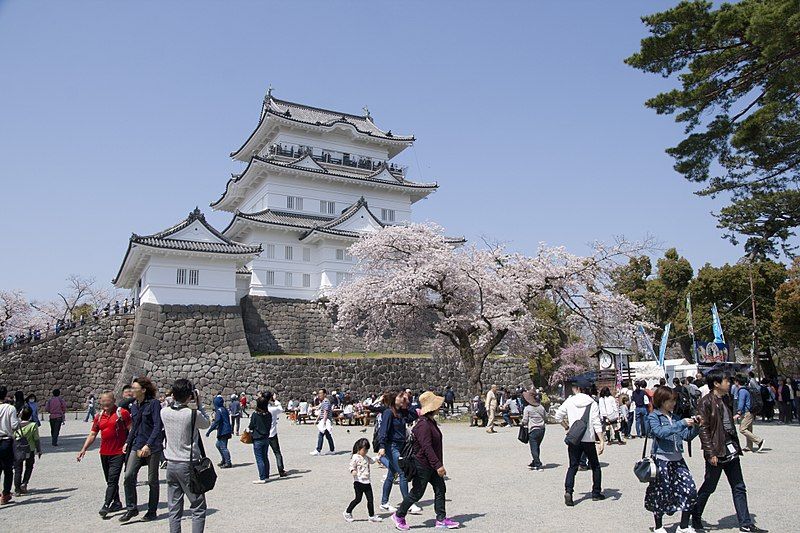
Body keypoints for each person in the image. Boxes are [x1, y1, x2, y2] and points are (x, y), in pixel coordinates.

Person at [692, 371, 766, 532]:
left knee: (739, 486)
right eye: (726, 381)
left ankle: (746, 523)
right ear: (716, 383)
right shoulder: (705, 402)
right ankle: (695, 516)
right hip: (716, 450)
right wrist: (710, 452)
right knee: (709, 486)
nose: (729, 383)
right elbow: (703, 429)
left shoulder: (726, 398)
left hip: (730, 447)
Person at [391, 391, 459, 531]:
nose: (440, 407)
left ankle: (441, 518)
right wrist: (438, 465)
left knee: (440, 488)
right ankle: (399, 515)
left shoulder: (430, 422)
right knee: (417, 492)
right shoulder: (423, 425)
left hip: (431, 464)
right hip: (422, 464)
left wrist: (436, 464)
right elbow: (426, 448)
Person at [644, 386, 700, 533]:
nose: (673, 404)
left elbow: (686, 436)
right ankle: (658, 526)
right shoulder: (654, 416)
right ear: (661, 401)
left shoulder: (675, 417)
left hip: (678, 460)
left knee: (690, 489)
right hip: (661, 459)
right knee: (661, 492)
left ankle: (683, 525)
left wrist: (696, 426)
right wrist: (681, 424)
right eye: (670, 401)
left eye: (674, 400)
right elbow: (659, 432)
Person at [160, 379, 210, 533]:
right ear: (190, 396)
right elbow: (207, 423)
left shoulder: (164, 412)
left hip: (171, 464)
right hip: (188, 464)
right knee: (198, 506)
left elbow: (168, 404)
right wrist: (199, 403)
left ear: (173, 395)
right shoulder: (192, 414)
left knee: (174, 508)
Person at [77, 391, 132, 518]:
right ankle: (117, 502)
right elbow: (93, 434)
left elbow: (131, 428)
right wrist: (84, 448)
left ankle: (106, 505)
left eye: (108, 401)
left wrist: (127, 443)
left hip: (118, 452)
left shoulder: (122, 413)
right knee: (109, 480)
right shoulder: (99, 416)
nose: (105, 404)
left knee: (112, 479)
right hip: (104, 452)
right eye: (103, 401)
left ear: (113, 401)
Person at [554, 378, 605, 507]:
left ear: (577, 388)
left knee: (572, 466)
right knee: (595, 466)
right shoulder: (592, 403)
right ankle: (596, 492)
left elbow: (558, 416)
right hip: (588, 439)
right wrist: (601, 440)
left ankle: (569, 491)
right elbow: (596, 422)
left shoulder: (570, 401)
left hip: (574, 439)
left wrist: (566, 427)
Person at [121, 376, 164, 522]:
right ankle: (131, 508)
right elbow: (135, 426)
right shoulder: (134, 405)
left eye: (134, 388)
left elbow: (158, 426)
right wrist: (128, 442)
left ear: (143, 390)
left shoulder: (154, 404)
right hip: (137, 444)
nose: (131, 390)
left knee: (152, 480)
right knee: (128, 476)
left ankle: (152, 511)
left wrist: (149, 445)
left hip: (152, 446)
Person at [377, 391, 421, 515]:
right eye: (401, 397)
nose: (403, 399)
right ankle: (408, 503)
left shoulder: (402, 413)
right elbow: (383, 430)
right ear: (394, 398)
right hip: (391, 446)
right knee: (403, 472)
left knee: (391, 474)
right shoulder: (388, 412)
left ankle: (384, 502)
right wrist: (382, 446)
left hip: (400, 445)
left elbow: (414, 415)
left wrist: (408, 404)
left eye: (405, 398)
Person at [343, 438, 383, 523]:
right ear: (359, 448)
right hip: (358, 482)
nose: (365, 452)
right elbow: (351, 466)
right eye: (364, 450)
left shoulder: (366, 457)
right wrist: (352, 471)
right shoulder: (355, 457)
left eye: (367, 450)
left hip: (367, 482)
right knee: (358, 499)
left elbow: (371, 461)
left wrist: (378, 456)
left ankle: (371, 516)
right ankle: (347, 512)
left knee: (370, 500)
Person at [13, 406, 41, 496]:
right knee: (29, 467)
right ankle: (24, 483)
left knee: (18, 469)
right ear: (30, 415)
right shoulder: (33, 425)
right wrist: (39, 450)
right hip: (30, 449)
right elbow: (36, 439)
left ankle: (17, 489)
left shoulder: (15, 425)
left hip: (17, 449)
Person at [0, 385, 20, 505]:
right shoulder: (10, 408)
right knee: (8, 469)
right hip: (6, 441)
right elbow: (14, 425)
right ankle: (5, 494)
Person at [734, 375, 764, 453]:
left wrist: (739, 412)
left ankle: (759, 441)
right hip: (750, 411)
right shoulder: (746, 389)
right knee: (749, 429)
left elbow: (741, 402)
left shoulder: (742, 391)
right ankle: (749, 446)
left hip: (746, 412)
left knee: (742, 429)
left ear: (737, 382)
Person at [248, 396, 273, 483]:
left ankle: (262, 477)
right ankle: (266, 475)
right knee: (265, 457)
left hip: (258, 438)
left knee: (259, 458)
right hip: (266, 438)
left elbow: (251, 426)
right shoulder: (269, 414)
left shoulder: (255, 414)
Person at [521, 391, 547, 470]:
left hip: (533, 429)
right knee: (537, 446)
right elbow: (545, 417)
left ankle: (538, 464)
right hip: (542, 429)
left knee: (533, 448)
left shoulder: (528, 408)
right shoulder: (541, 407)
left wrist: (522, 423)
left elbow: (525, 420)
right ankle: (535, 461)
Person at [206, 395, 232, 469]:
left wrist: (209, 431)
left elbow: (217, 421)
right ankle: (224, 459)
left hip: (224, 431)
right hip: (225, 430)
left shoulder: (219, 410)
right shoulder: (223, 409)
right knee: (218, 445)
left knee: (223, 447)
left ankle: (228, 462)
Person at [265, 391, 287, 477]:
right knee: (277, 452)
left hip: (263, 434)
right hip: (272, 433)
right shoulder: (273, 409)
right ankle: (281, 470)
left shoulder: (261, 409)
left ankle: (265, 472)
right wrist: (275, 400)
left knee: (264, 454)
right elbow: (281, 409)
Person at [310, 389, 335, 456]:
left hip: (326, 421)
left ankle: (318, 450)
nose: (319, 395)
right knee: (328, 436)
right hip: (324, 420)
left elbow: (325, 412)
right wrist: (317, 420)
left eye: (321, 393)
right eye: (319, 393)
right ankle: (332, 450)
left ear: (325, 394)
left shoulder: (326, 402)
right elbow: (321, 411)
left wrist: (324, 422)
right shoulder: (323, 402)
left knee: (321, 435)